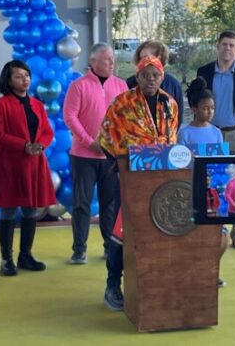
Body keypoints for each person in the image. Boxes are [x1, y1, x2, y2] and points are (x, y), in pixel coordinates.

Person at [98, 55, 179, 311]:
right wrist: (121, 165)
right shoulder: (122, 103)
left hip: (163, 180)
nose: (151, 80)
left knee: (159, 232)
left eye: (155, 75)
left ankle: (152, 285)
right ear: (138, 77)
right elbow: (107, 134)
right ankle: (113, 285)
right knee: (122, 231)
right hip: (131, 178)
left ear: (162, 77)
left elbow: (172, 141)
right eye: (146, 75)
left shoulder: (171, 104)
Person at [0, 60, 56, 277]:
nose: (24, 79)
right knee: (9, 208)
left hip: (33, 162)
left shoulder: (37, 105)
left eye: (26, 75)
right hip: (9, 163)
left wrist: (39, 145)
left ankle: (26, 255)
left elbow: (47, 132)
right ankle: (7, 259)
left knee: (31, 208)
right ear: (8, 80)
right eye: (18, 76)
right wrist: (24, 146)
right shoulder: (1, 104)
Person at [63, 43, 127, 265]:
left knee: (109, 204)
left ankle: (110, 247)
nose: (112, 63)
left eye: (112, 59)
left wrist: (114, 145)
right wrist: (90, 143)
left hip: (111, 157)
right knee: (81, 204)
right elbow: (70, 117)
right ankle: (79, 249)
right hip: (83, 156)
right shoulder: (78, 86)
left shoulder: (121, 86)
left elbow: (126, 119)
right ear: (93, 62)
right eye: (107, 59)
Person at [196, 30, 235, 249]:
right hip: (211, 133)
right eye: (224, 44)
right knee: (213, 182)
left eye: (232, 45)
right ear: (217, 46)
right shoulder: (204, 72)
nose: (228, 49)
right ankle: (213, 229)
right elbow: (196, 100)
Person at [177, 76, 229, 286]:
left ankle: (211, 270)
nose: (210, 112)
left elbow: (221, 163)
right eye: (205, 108)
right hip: (190, 189)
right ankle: (193, 270)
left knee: (219, 235)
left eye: (212, 108)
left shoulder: (216, 133)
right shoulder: (185, 133)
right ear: (194, 108)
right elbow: (180, 161)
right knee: (194, 232)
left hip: (214, 190)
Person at [125, 40, 184, 124]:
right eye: (140, 58)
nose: (142, 61)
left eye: (145, 57)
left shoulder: (173, 84)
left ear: (159, 58)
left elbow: (178, 119)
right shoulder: (131, 82)